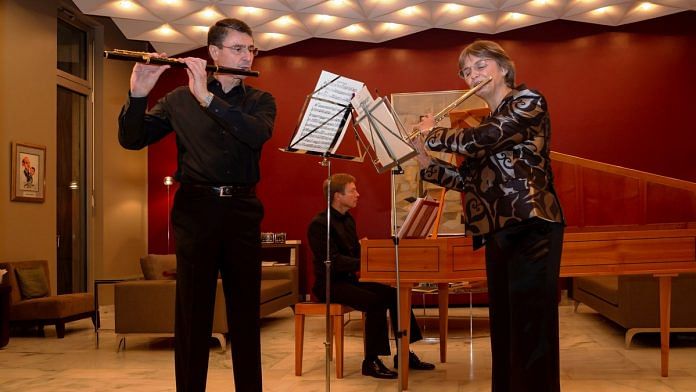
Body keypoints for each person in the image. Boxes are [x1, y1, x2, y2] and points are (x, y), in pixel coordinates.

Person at [118, 18, 276, 392]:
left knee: (244, 314)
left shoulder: (260, 101)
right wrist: (138, 93)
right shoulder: (177, 100)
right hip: (195, 211)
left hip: (241, 211)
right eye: (238, 48)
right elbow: (132, 139)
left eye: (250, 48)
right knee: (192, 314)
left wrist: (207, 96)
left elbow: (254, 134)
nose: (246, 56)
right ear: (214, 52)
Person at [413, 40, 565, 392]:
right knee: (506, 329)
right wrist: (424, 158)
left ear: (503, 67)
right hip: (497, 232)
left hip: (532, 226)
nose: (472, 75)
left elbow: (480, 140)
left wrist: (433, 134)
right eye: (466, 71)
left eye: (480, 65)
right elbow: (467, 180)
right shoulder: (488, 121)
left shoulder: (528, 101)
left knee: (531, 331)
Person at [307, 173, 435, 379]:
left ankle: (404, 354)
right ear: (337, 196)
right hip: (330, 284)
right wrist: (364, 261)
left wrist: (367, 252)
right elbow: (332, 261)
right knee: (374, 301)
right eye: (352, 191)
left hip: (349, 279)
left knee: (394, 294)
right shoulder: (320, 224)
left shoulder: (348, 220)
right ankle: (371, 361)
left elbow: (353, 254)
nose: (358, 194)